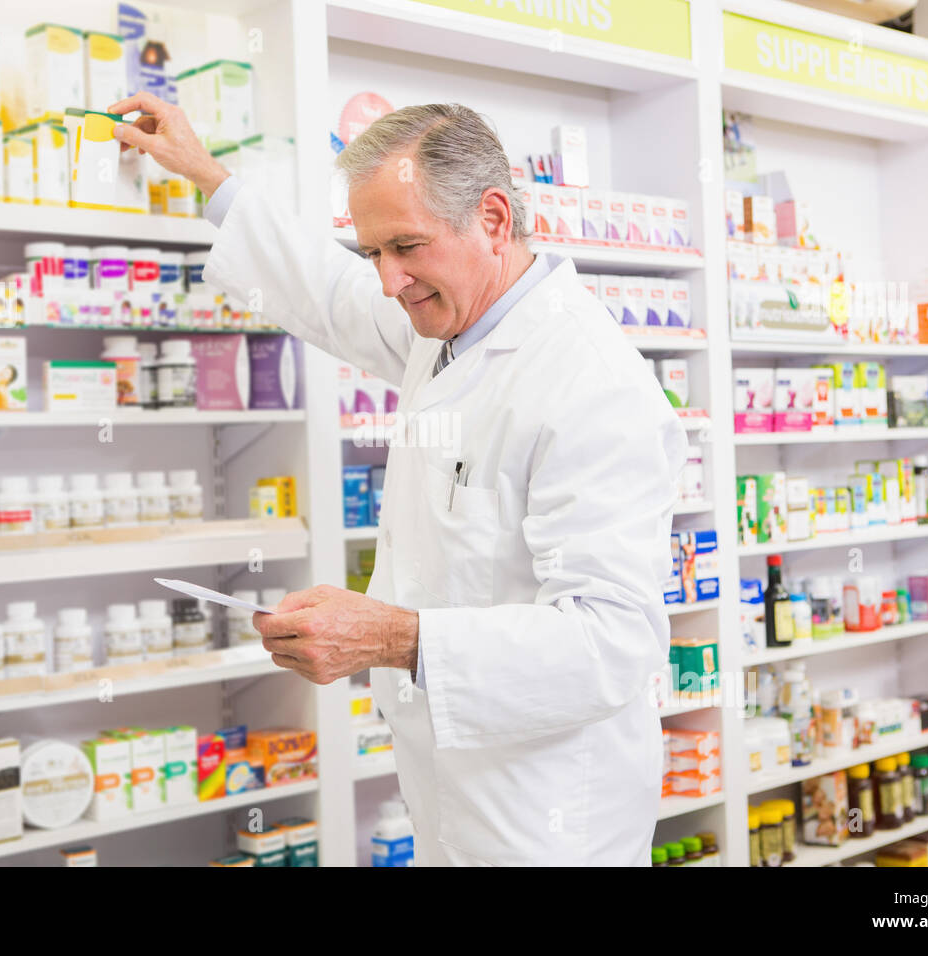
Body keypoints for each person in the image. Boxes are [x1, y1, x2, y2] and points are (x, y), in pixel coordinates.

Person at [112, 94, 687, 866]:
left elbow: (612, 643)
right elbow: (330, 291)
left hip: (548, 819)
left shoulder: (590, 383)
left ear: (491, 218)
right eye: (374, 250)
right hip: (453, 793)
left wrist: (391, 636)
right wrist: (207, 175)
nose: (387, 281)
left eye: (406, 246)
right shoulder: (449, 325)